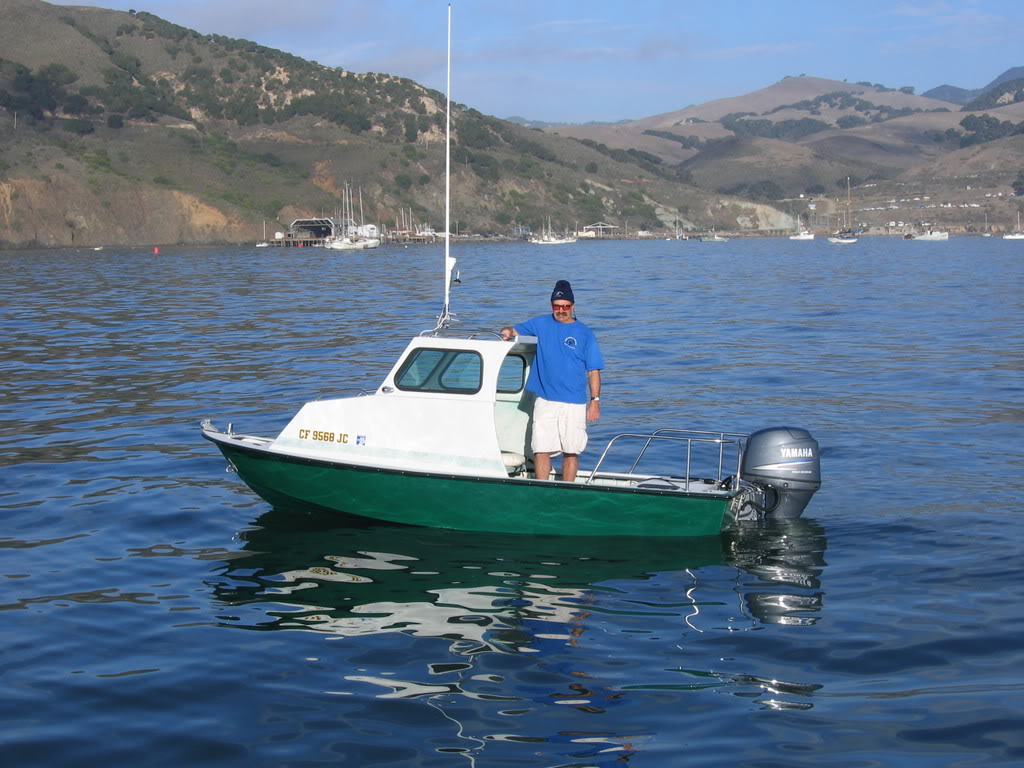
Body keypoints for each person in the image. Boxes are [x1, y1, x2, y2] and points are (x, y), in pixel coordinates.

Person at [500, 279, 604, 482]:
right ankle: (542, 488)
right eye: (557, 306)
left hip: (574, 401)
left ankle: (567, 490)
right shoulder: (540, 323)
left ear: (573, 306)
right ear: (551, 306)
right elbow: (514, 330)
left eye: (565, 306)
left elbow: (593, 371)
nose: (561, 310)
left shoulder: (585, 332)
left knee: (571, 450)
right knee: (541, 449)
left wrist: (595, 401)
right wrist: (507, 331)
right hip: (546, 399)